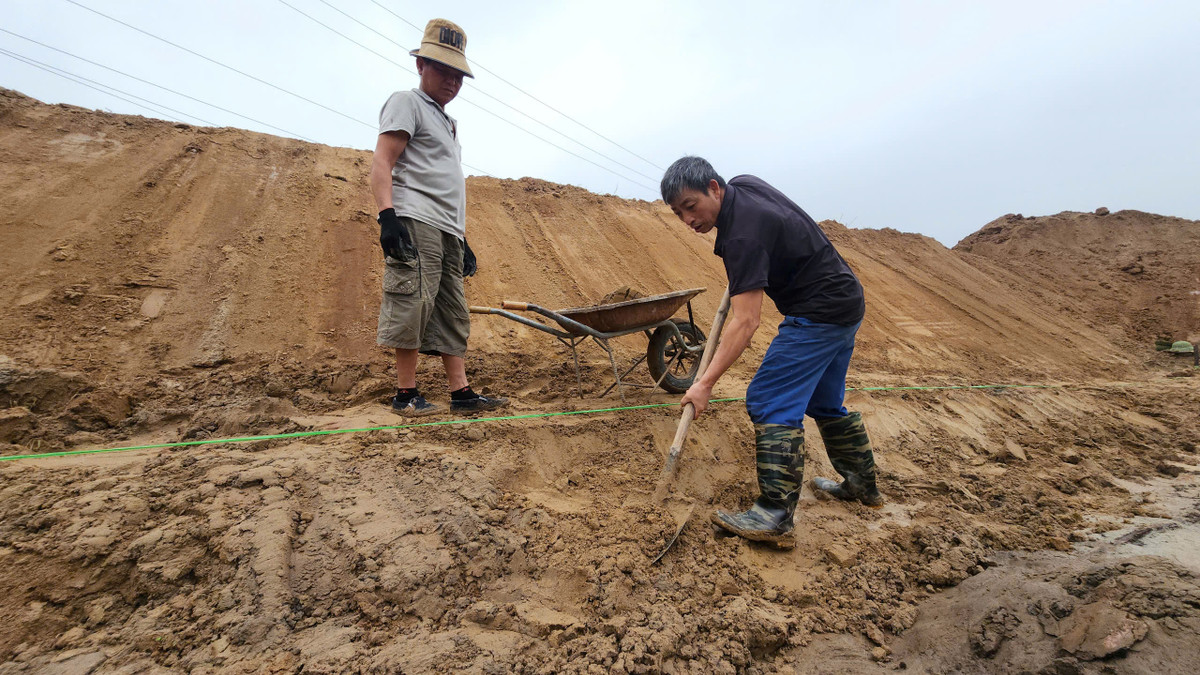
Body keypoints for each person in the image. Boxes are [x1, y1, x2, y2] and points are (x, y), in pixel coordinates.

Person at [661, 156, 882, 548]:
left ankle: (774, 515)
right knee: (822, 401)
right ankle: (862, 484)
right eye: (678, 213)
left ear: (714, 188)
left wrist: (704, 383)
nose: (687, 220)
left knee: (769, 398)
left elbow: (746, 322)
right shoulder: (744, 185)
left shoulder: (742, 238)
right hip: (846, 299)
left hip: (819, 312)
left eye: (690, 207)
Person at [369, 18, 507, 416]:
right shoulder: (407, 102)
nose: (452, 81)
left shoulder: (447, 122)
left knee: (452, 310)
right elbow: (382, 161)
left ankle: (461, 392)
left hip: (447, 230)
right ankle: (406, 394)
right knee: (412, 302)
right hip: (416, 219)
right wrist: (387, 216)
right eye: (444, 70)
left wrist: (462, 238)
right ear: (420, 65)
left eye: (458, 74)